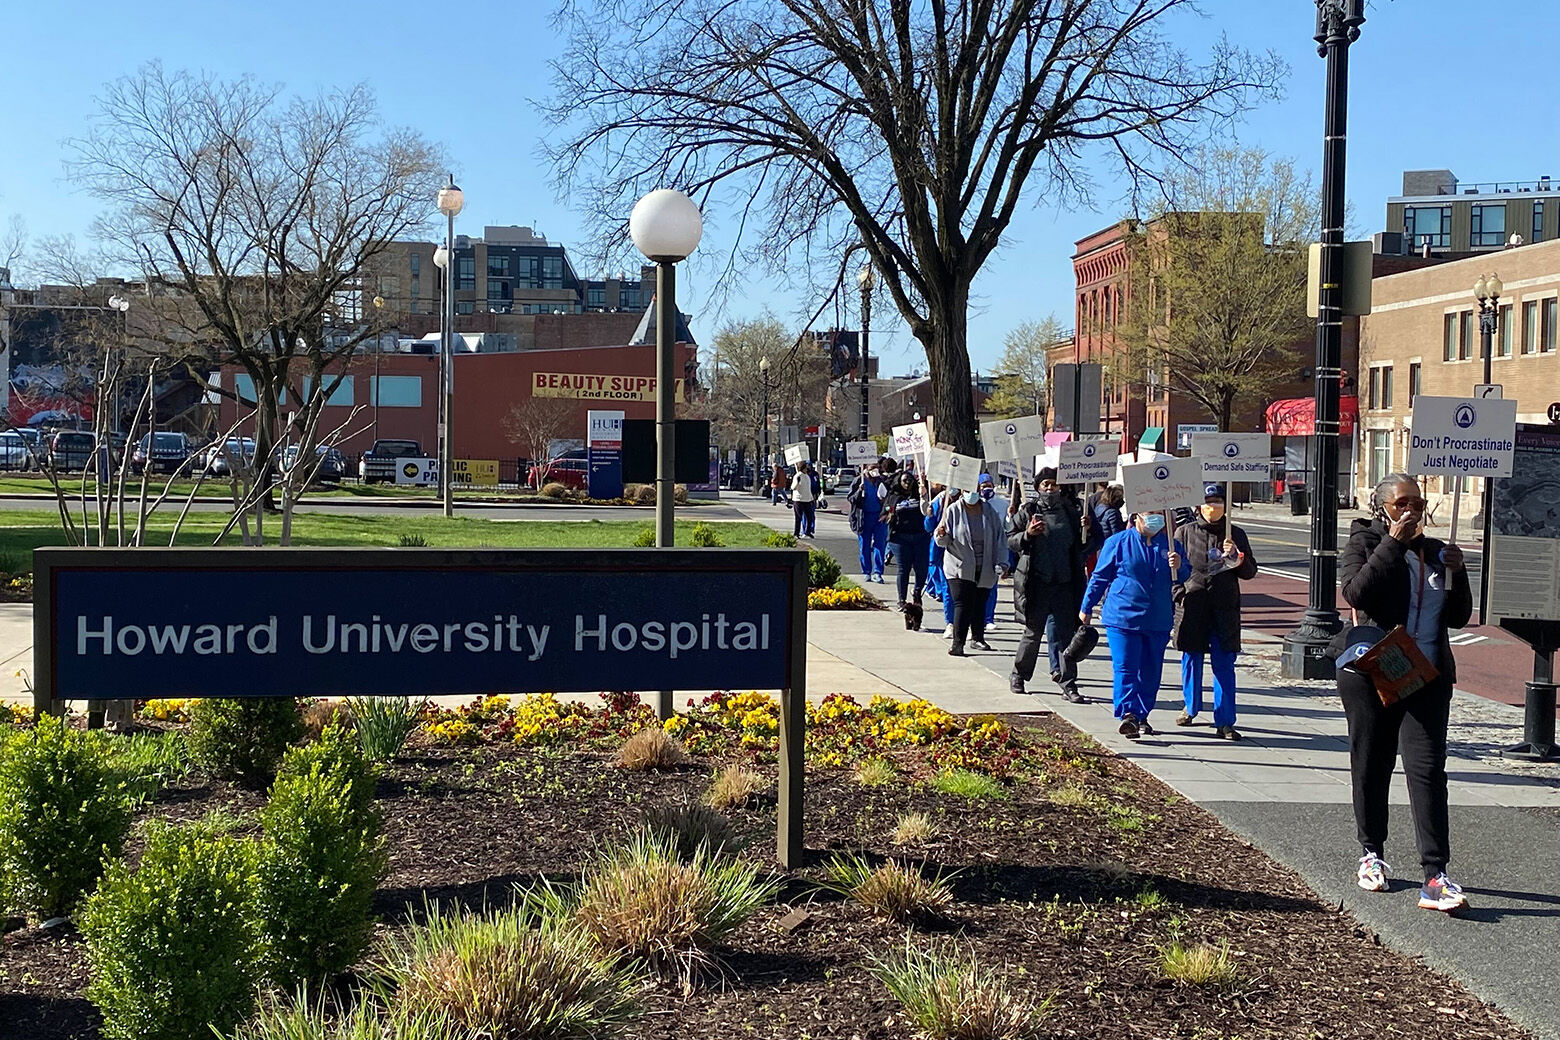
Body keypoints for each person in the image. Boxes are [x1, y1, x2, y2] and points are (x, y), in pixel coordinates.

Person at [1336, 473, 1471, 913]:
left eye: (1418, 502)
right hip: (1377, 671)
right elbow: (1356, 592)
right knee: (1373, 761)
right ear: (1382, 509)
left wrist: (1458, 570)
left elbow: (1460, 617)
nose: (1412, 511)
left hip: (1427, 676)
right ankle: (1371, 852)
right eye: (1402, 504)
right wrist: (1392, 544)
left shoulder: (1435, 552)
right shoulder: (1365, 543)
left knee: (1428, 770)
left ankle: (1435, 874)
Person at [1080, 511, 1188, 740]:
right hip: (1123, 617)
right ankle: (1128, 713)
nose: (1155, 519)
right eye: (1151, 514)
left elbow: (1184, 576)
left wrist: (1179, 565)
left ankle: (1141, 714)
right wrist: (1086, 607)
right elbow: (1100, 577)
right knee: (1126, 667)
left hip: (1156, 618)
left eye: (1160, 514)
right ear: (1137, 516)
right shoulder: (1118, 542)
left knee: (1150, 672)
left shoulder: (1171, 545)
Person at [1174, 484, 1259, 739]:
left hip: (1224, 608)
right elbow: (1171, 570)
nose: (1214, 507)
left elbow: (1250, 572)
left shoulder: (1236, 534)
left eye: (1219, 502)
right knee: (1191, 659)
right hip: (1193, 605)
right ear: (1199, 505)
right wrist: (1179, 594)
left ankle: (1225, 720)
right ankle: (1191, 707)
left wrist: (1237, 558)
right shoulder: (1184, 532)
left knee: (1224, 664)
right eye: (1209, 502)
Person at [1008, 468, 1086, 703]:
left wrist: (1088, 530)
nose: (1050, 489)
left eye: (1053, 484)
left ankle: (1068, 683)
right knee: (1032, 634)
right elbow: (1010, 539)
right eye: (1045, 485)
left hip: (1064, 584)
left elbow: (1085, 546)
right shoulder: (1029, 511)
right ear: (1038, 488)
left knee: (1066, 637)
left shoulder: (1072, 513)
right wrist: (1028, 535)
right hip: (1037, 583)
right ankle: (1019, 675)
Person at [933, 482, 1006, 656]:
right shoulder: (952, 510)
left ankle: (978, 638)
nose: (971, 494)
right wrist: (941, 535)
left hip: (985, 566)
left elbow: (1000, 538)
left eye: (974, 490)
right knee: (962, 603)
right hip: (959, 566)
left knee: (980, 602)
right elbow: (943, 542)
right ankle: (958, 643)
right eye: (967, 491)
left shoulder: (989, 511)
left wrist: (1003, 563)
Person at [888, 472, 930, 609]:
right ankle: (901, 599)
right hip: (900, 538)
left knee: (921, 569)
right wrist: (890, 513)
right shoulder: (894, 497)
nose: (907, 483)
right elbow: (886, 512)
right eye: (904, 480)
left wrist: (924, 489)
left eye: (910, 480)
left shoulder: (920, 494)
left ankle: (917, 592)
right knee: (903, 569)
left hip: (920, 536)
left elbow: (928, 508)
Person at [848, 457, 893, 583]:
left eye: (877, 467)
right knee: (865, 545)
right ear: (866, 468)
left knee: (880, 545)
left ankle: (878, 572)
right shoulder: (858, 481)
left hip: (879, 517)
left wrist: (886, 510)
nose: (875, 470)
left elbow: (889, 498)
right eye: (873, 467)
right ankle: (866, 571)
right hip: (864, 517)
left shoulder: (881, 481)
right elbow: (851, 499)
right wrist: (859, 491)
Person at [791, 461, 819, 538]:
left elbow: (808, 489)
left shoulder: (807, 476)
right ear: (802, 468)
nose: (807, 469)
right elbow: (793, 487)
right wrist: (797, 482)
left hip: (807, 500)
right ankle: (796, 533)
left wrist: (811, 498)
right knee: (799, 517)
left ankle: (808, 531)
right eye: (805, 468)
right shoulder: (797, 476)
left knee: (810, 517)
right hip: (798, 500)